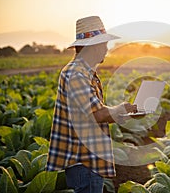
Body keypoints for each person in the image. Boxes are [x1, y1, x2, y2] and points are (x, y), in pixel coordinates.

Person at [46, 16, 137, 193]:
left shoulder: (85, 72)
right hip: (84, 160)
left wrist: (122, 113)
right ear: (93, 46)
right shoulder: (76, 74)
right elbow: (97, 114)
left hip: (89, 159)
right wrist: (121, 110)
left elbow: (93, 114)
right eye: (103, 44)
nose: (106, 48)